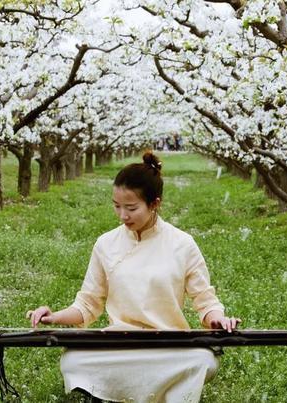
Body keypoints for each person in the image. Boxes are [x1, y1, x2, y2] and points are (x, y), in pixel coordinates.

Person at [27, 151, 241, 403]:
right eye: (116, 206)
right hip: (119, 343)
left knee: (203, 360)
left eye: (131, 208)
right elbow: (87, 305)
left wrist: (217, 320)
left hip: (170, 345)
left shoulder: (182, 244)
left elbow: (205, 301)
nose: (122, 216)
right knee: (72, 359)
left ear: (154, 204)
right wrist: (53, 317)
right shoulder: (105, 244)